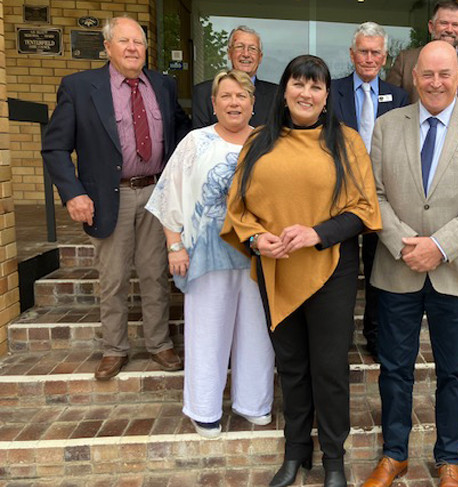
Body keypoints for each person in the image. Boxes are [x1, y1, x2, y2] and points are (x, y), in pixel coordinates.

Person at [221, 55, 381, 487]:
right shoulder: (259, 142)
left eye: (316, 86)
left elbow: (364, 209)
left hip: (331, 268)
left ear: (327, 96)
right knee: (290, 366)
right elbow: (238, 209)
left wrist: (317, 233)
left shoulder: (346, 142)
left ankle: (333, 458)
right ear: (285, 90)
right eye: (298, 83)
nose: (306, 93)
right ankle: (295, 453)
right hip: (277, 268)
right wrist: (255, 239)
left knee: (329, 369)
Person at [363, 41, 458, 487]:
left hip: (456, 271)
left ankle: (449, 459)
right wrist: (407, 245)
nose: (436, 82)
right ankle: (395, 455)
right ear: (414, 76)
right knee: (395, 368)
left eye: (445, 74)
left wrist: (438, 246)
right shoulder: (387, 126)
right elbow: (375, 194)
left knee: (453, 373)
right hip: (398, 266)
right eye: (428, 74)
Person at [41, 16, 190, 381]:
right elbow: (55, 147)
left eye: (138, 42)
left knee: (156, 273)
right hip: (111, 195)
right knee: (114, 277)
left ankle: (159, 344)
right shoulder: (79, 87)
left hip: (157, 192)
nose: (132, 48)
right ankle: (114, 348)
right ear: (108, 47)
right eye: (124, 41)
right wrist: (73, 193)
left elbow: (182, 132)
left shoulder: (163, 84)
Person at [145, 70, 275, 438]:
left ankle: (254, 402)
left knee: (257, 332)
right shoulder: (194, 143)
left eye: (242, 96)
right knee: (207, 331)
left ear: (252, 103)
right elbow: (170, 194)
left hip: (257, 255)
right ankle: (204, 407)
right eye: (227, 96)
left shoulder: (267, 142)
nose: (234, 102)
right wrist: (174, 245)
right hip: (206, 255)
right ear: (213, 103)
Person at [330, 21, 409, 359]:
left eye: (375, 52)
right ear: (352, 54)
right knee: (341, 269)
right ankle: (340, 334)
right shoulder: (332, 91)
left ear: (384, 56)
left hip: (382, 196)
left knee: (379, 267)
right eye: (363, 50)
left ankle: (375, 334)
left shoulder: (400, 95)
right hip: (340, 197)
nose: (368, 57)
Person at [386, 0, 458, 105]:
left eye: (455, 24)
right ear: (431, 26)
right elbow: (390, 103)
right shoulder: (406, 61)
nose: (450, 29)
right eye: (444, 23)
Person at [192, 25, 277, 128]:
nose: (246, 54)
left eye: (252, 49)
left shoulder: (276, 95)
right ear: (229, 53)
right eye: (240, 47)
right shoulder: (203, 92)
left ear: (260, 57)